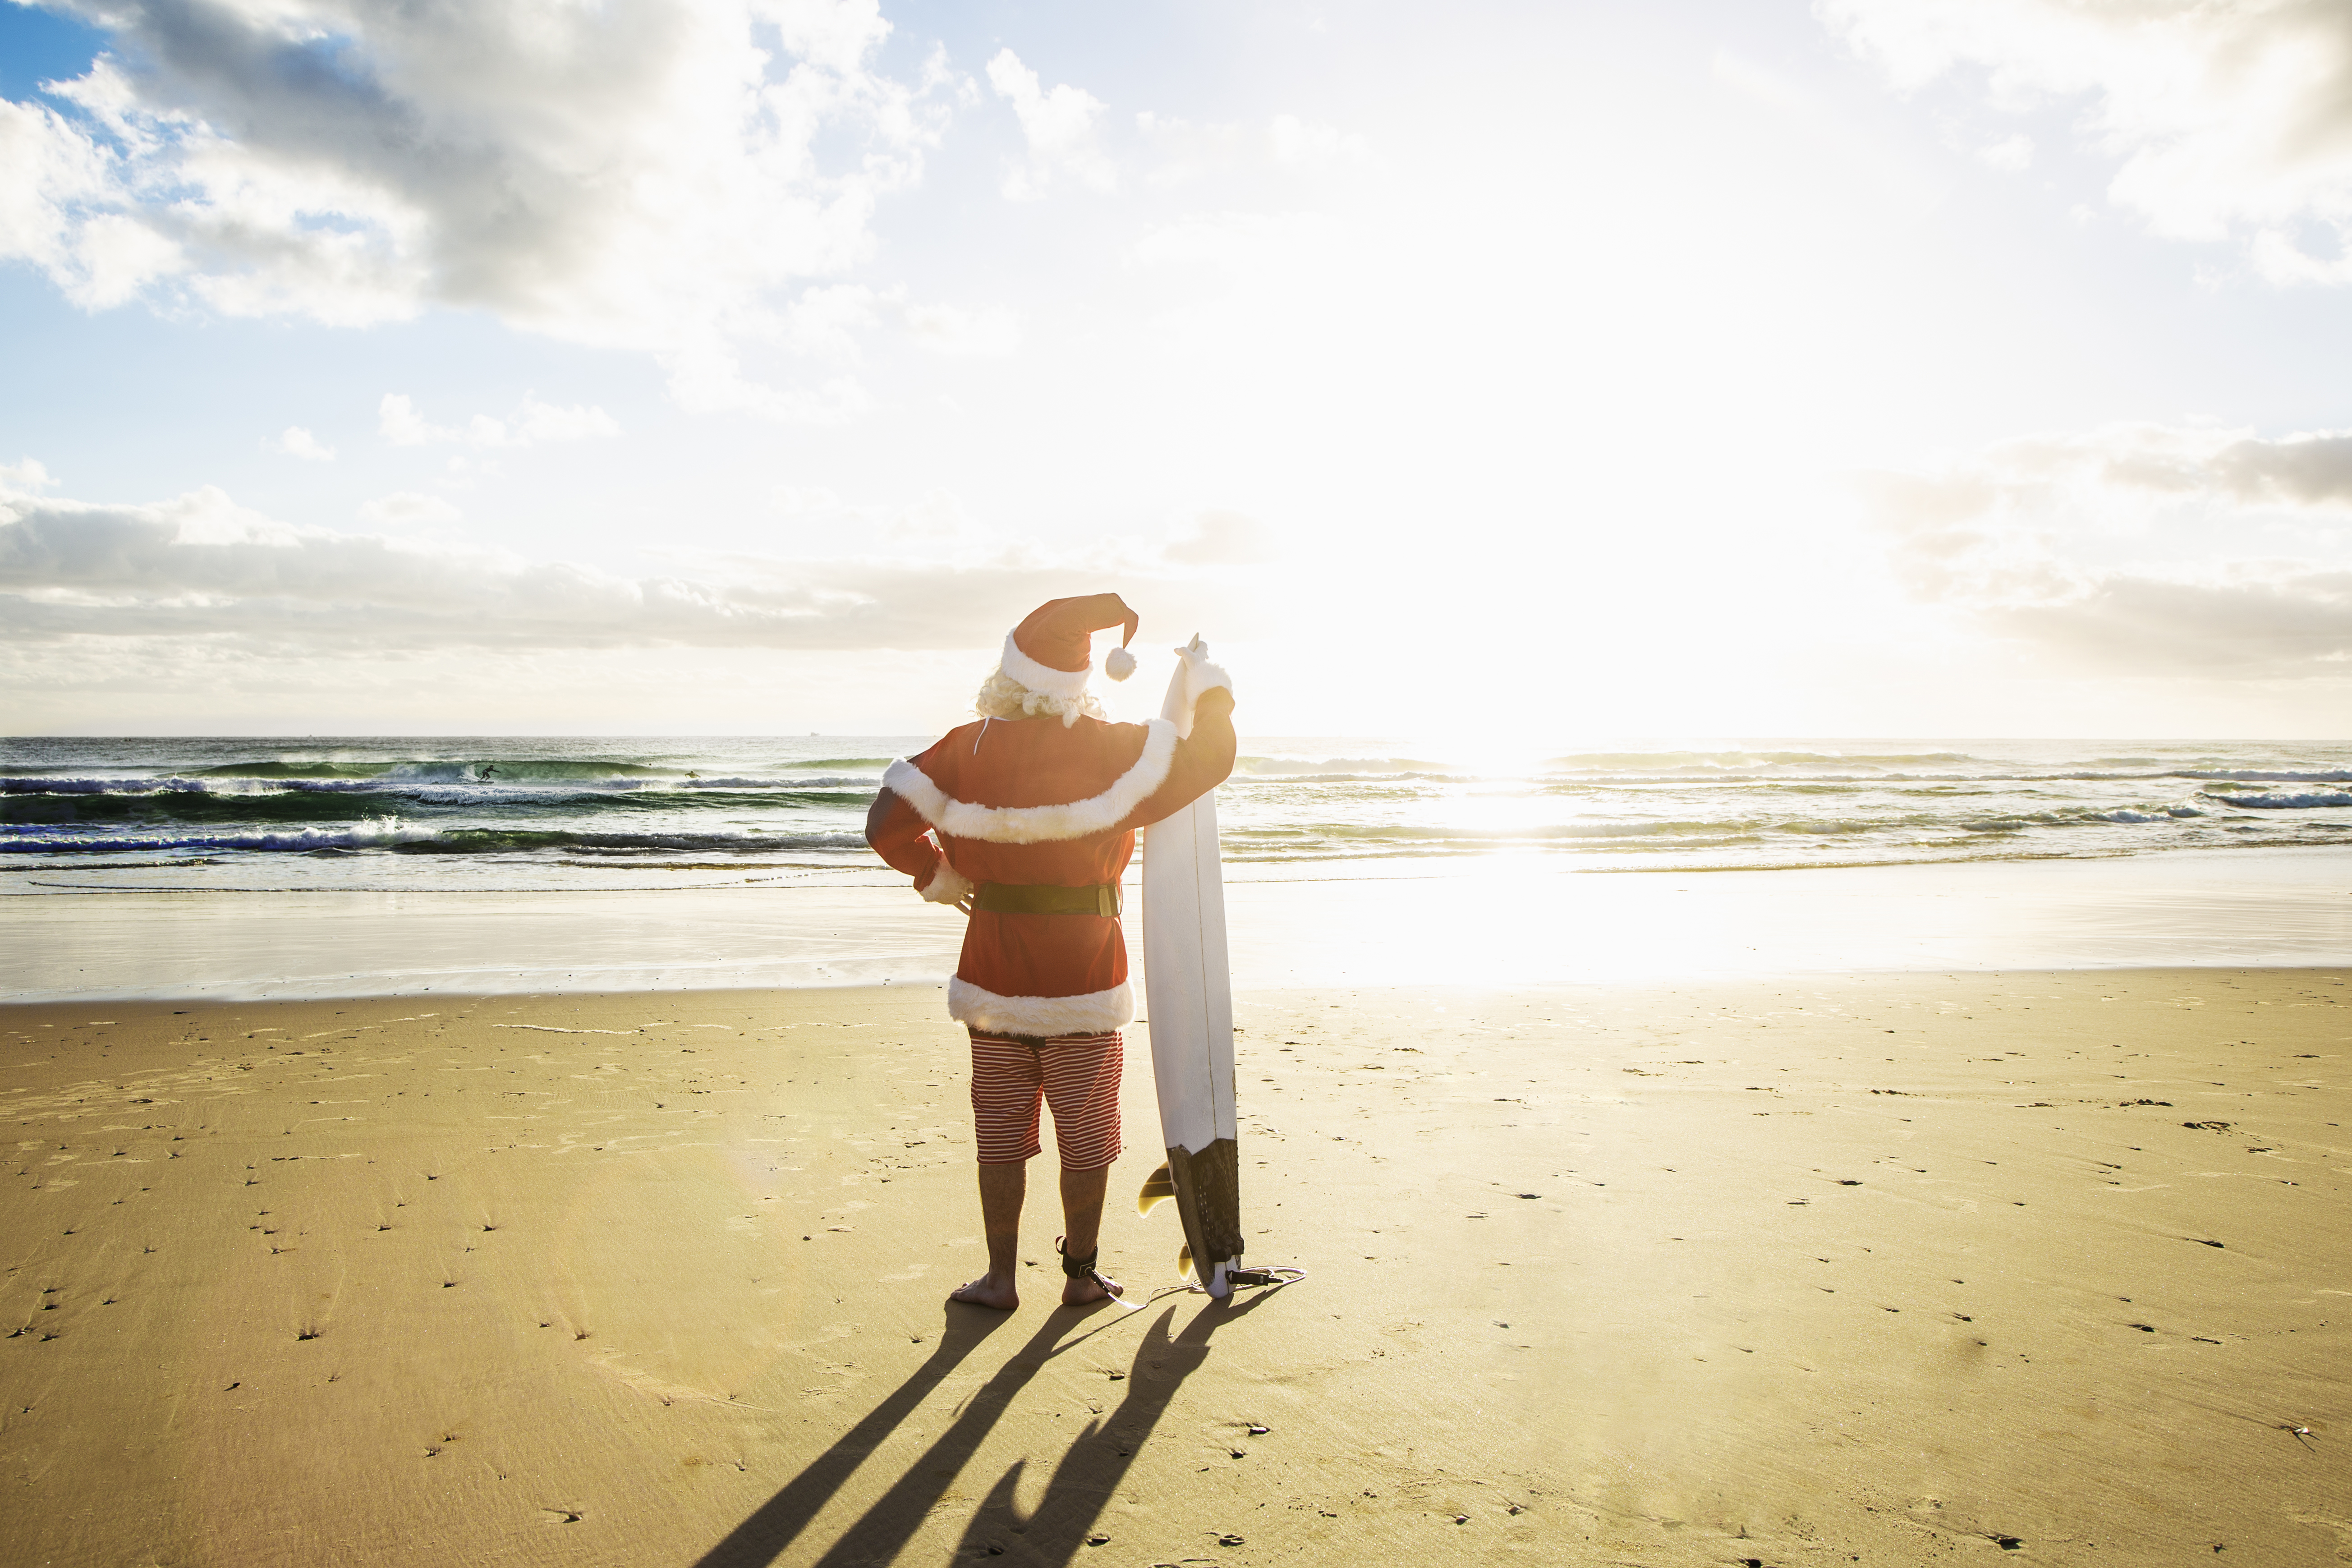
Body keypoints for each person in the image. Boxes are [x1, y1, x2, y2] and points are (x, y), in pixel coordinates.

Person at [865, 594, 1236, 1308]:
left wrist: (938, 873)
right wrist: (1209, 684)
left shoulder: (963, 747)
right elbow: (1212, 757)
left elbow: (885, 820)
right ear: (1078, 682)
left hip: (992, 976)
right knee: (1087, 1137)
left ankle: (1001, 1280)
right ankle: (1082, 1278)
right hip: (1086, 978)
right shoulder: (1114, 747)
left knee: (1001, 1134)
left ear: (1006, 675)